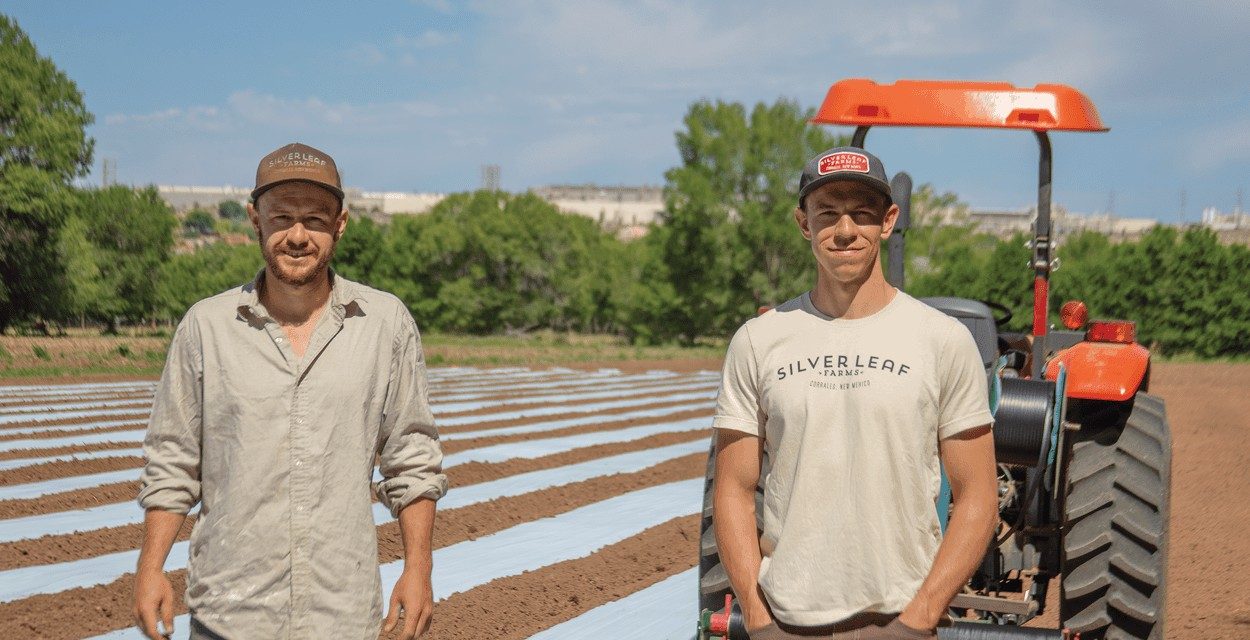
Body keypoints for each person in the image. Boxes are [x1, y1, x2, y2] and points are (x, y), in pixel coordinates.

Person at [132, 143, 447, 640]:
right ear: (256, 220)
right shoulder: (206, 327)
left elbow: (411, 456)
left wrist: (419, 568)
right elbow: (173, 460)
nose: (297, 236)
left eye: (315, 220)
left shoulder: (385, 324)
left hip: (341, 614)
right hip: (228, 614)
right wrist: (151, 568)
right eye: (282, 217)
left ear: (339, 224)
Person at [712, 147, 998, 639]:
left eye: (862, 214)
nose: (845, 230)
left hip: (901, 620)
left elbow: (978, 496)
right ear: (804, 223)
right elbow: (733, 490)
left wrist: (918, 620)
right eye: (828, 213)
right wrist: (758, 623)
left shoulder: (942, 340)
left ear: (889, 221)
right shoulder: (758, 342)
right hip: (787, 622)